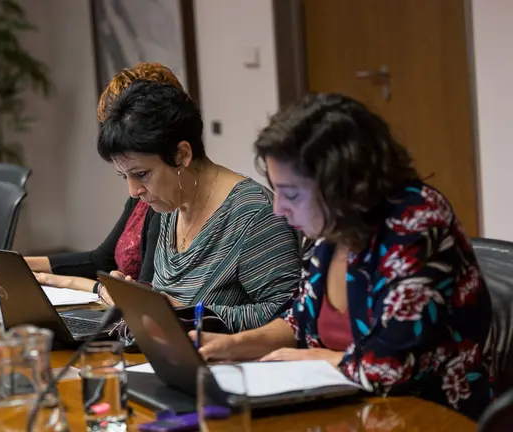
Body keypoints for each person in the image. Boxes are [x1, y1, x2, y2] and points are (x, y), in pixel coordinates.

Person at [192, 93, 493, 419]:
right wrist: (229, 345)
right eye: (276, 190)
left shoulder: (416, 220)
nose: (278, 209)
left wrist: (323, 359)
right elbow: (298, 322)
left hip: (428, 418)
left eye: (291, 194)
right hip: (346, 413)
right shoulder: (329, 230)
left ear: (343, 186)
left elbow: (391, 369)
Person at [98, 79, 301, 333]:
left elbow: (288, 315)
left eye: (141, 174)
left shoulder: (253, 214)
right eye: (124, 176)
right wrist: (137, 299)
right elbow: (169, 300)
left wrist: (186, 314)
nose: (133, 191)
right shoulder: (171, 205)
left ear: (182, 154)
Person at [25, 63, 183, 292]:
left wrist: (71, 283)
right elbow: (102, 259)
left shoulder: (165, 203)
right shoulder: (142, 195)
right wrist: (24, 263)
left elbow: (147, 291)